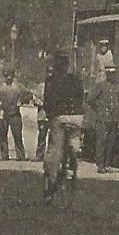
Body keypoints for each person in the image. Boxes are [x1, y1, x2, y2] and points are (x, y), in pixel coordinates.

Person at [41, 51, 85, 197]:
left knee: (54, 148)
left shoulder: (52, 80)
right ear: (67, 65)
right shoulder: (76, 80)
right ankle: (74, 152)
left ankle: (52, 179)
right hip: (77, 118)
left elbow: (48, 101)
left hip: (60, 118)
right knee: (74, 137)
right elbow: (80, 99)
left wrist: (48, 114)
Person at [86, 64, 119, 172]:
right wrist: (99, 110)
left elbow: (118, 103)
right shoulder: (100, 85)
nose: (112, 75)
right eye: (110, 73)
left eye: (113, 73)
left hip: (112, 118)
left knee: (110, 142)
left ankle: (106, 164)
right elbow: (90, 99)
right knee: (101, 141)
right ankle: (100, 165)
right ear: (107, 74)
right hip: (102, 118)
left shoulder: (115, 86)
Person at [0, 69, 31, 161]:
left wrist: (21, 101)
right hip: (4, 114)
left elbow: (29, 94)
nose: (9, 78)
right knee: (3, 135)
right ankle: (4, 155)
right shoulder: (1, 87)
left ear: (13, 76)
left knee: (17, 135)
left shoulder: (18, 87)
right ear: (5, 77)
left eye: (10, 76)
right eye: (7, 76)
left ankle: (21, 155)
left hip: (15, 114)